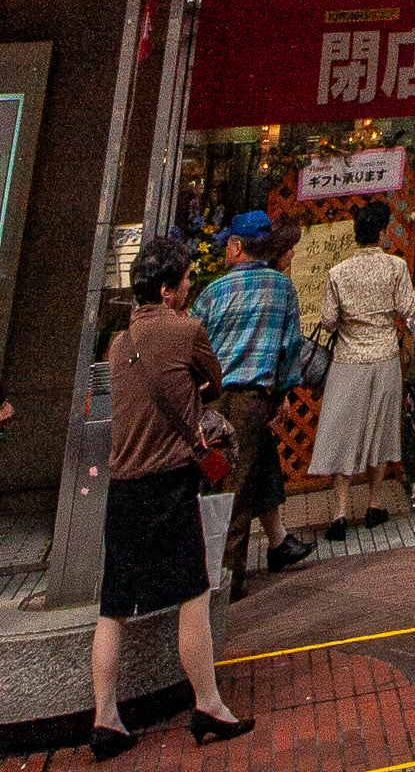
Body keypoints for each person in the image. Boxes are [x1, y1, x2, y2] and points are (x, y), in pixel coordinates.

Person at [90, 234, 252, 756]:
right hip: (168, 481)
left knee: (113, 606)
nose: (188, 289)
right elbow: (214, 382)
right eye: (183, 282)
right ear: (166, 290)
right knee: (193, 593)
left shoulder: (118, 344)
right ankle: (208, 704)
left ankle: (105, 719)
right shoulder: (186, 330)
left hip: (122, 486)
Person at [191, 208, 312, 600]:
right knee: (238, 486)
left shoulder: (212, 292)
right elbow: (290, 349)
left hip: (210, 403)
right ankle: (228, 577)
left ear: (236, 247)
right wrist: (282, 396)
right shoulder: (282, 288)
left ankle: (219, 580)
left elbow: (193, 347)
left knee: (216, 476)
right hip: (252, 404)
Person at [308, 198, 413, 538]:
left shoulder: (338, 273)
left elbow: (327, 321)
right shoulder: (396, 267)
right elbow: (405, 309)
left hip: (348, 360)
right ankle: (374, 504)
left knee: (343, 432)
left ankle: (339, 512)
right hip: (384, 357)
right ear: (382, 233)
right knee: (380, 430)